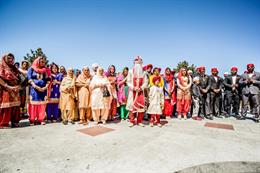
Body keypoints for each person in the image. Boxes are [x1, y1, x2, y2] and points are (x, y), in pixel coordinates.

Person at [27, 56, 50, 125]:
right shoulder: (32, 69)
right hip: (34, 89)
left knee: (42, 105)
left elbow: (48, 80)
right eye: (42, 61)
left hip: (43, 90)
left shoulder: (45, 70)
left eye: (44, 62)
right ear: (38, 61)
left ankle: (41, 119)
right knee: (33, 104)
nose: (43, 63)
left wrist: (45, 87)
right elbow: (29, 78)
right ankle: (32, 119)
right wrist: (35, 86)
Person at [126, 56, 148, 127]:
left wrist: (141, 88)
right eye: (136, 62)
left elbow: (146, 82)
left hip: (141, 92)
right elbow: (128, 81)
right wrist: (133, 87)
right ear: (134, 63)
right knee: (131, 107)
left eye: (139, 62)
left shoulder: (144, 72)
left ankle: (139, 121)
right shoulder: (130, 71)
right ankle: (132, 121)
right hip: (133, 92)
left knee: (140, 107)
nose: (138, 63)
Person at [0, 53, 21, 128]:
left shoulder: (14, 68)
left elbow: (19, 77)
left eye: (12, 58)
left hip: (15, 89)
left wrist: (18, 86)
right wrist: (8, 86)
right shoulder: (1, 66)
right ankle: (3, 123)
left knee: (16, 105)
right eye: (8, 58)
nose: (11, 60)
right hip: (6, 89)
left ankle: (15, 121)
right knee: (6, 106)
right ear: (4, 58)